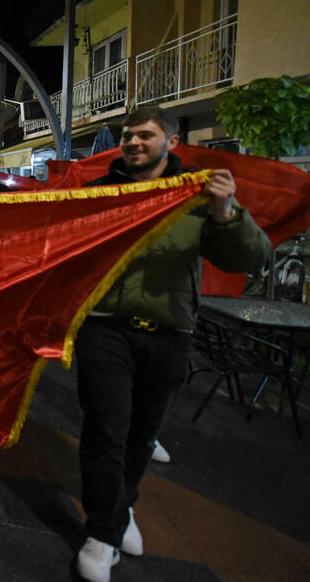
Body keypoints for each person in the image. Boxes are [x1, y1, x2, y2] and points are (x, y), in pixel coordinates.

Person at [74, 106, 270, 582]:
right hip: (105, 330)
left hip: (169, 335)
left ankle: (123, 509)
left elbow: (254, 256)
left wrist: (226, 213)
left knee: (141, 436)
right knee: (106, 432)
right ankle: (103, 535)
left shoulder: (199, 198)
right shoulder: (99, 194)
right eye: (128, 136)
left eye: (146, 135)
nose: (135, 143)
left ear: (172, 142)